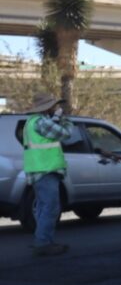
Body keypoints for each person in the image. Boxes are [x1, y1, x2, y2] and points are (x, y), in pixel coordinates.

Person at [22, 93, 74, 256]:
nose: (56, 108)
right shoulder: (41, 121)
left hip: (40, 170)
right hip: (45, 170)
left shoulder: (32, 122)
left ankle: (44, 240)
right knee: (50, 207)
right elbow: (65, 133)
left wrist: (57, 118)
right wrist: (65, 119)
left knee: (44, 208)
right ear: (47, 107)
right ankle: (43, 243)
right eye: (54, 105)